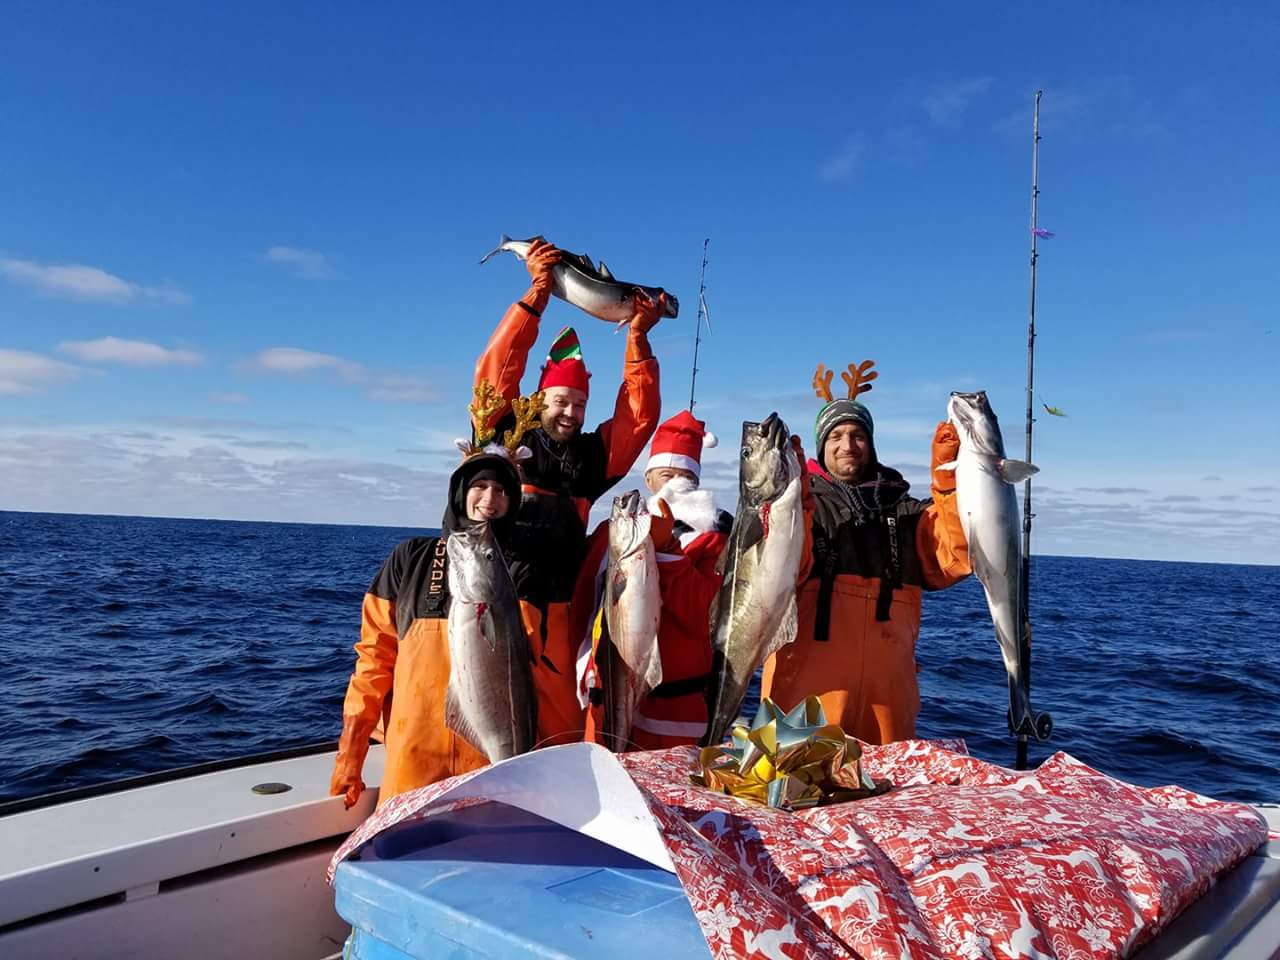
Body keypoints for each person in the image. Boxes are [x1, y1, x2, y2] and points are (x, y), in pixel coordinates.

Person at [473, 239, 664, 745]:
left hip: (562, 617)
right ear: (541, 398)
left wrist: (637, 339)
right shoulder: (505, 431)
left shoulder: (590, 458)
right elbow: (495, 372)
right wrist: (537, 294)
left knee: (559, 738)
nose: (568, 413)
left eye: (578, 405)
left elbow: (638, 419)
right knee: (487, 730)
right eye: (560, 401)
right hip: (495, 607)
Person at [761, 361, 970, 744]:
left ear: (871, 443)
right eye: (836, 436)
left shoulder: (907, 512)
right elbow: (782, 570)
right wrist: (789, 493)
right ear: (821, 445)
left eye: (857, 435)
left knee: (885, 801)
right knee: (789, 796)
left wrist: (950, 478)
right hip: (803, 703)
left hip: (888, 707)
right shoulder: (804, 509)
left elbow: (953, 559)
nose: (847, 445)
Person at [328, 445, 523, 810]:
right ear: (460, 493)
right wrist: (350, 755)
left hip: (489, 762)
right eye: (479, 485)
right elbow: (374, 659)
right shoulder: (411, 558)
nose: (490, 498)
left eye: (502, 490)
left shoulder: (528, 571)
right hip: (412, 754)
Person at [573, 410, 731, 750]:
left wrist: (670, 552)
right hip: (606, 688)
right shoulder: (611, 533)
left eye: (686, 475)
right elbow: (585, 599)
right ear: (649, 480)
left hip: (675, 705)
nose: (677, 483)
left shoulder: (714, 540)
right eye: (667, 474)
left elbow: (704, 610)